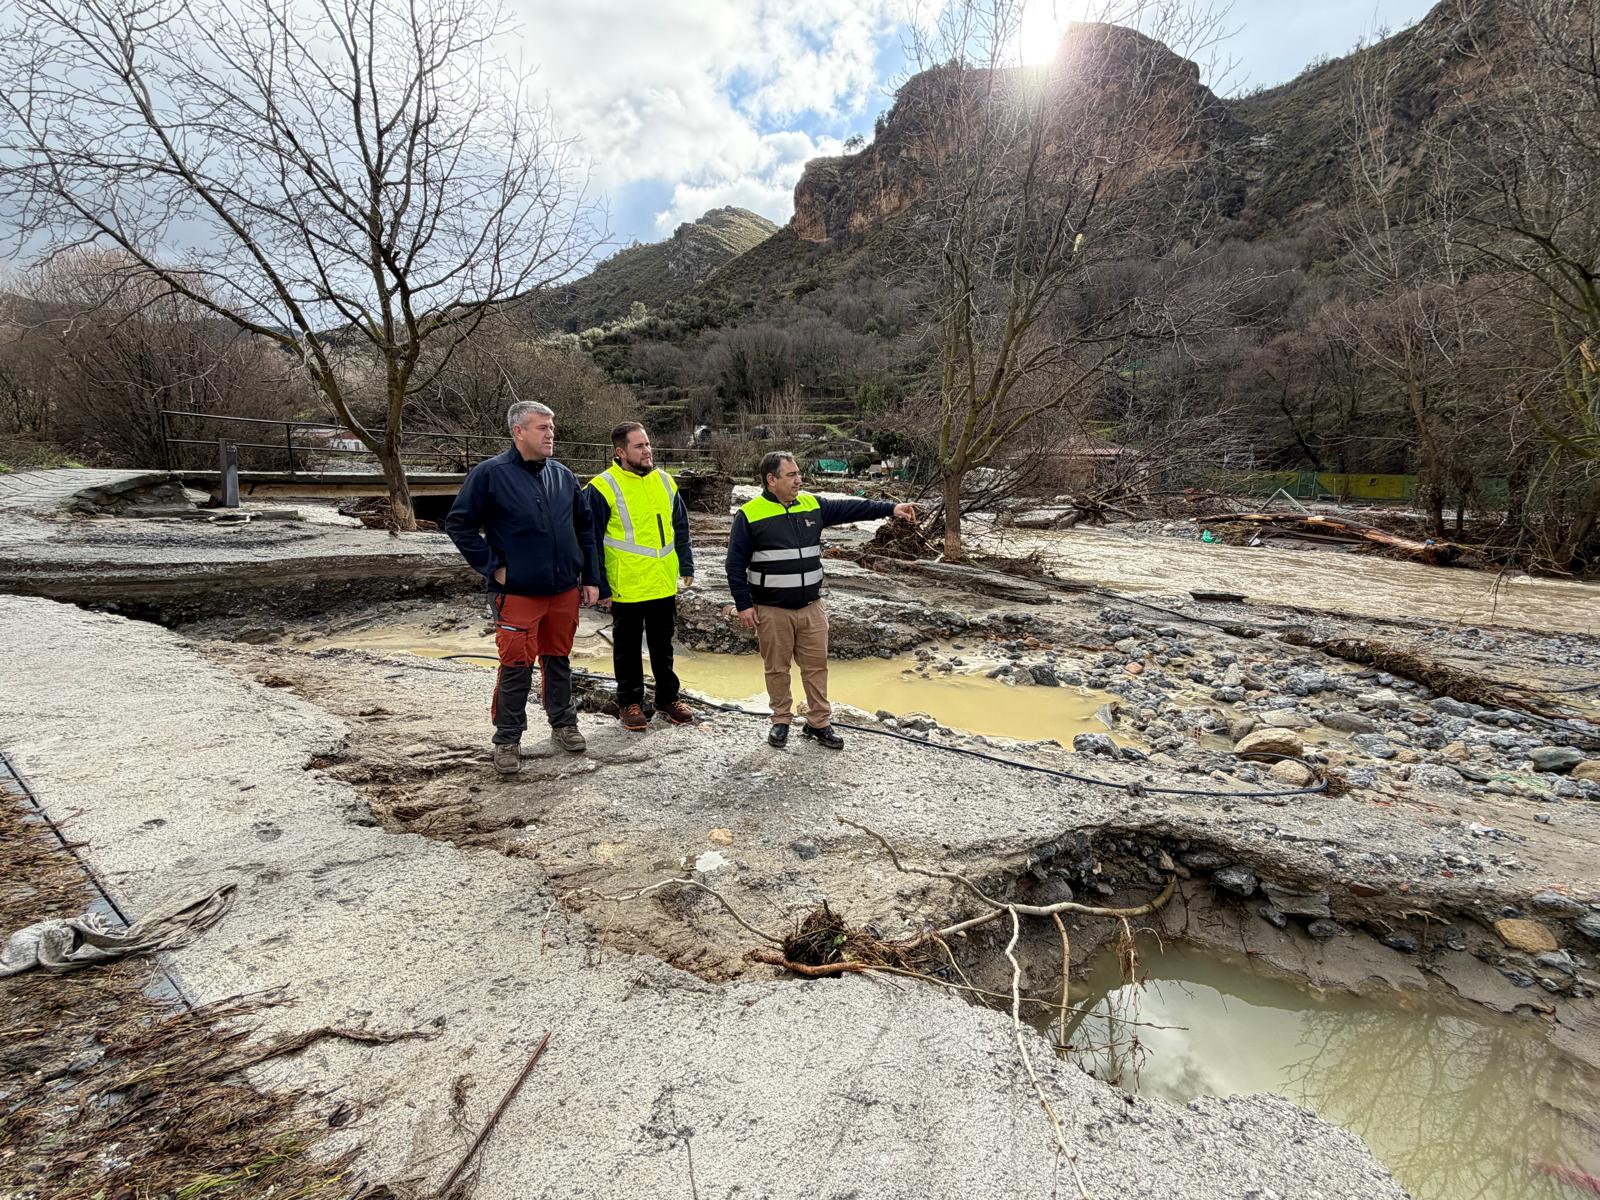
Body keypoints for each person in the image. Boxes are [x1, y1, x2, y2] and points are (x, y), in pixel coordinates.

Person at [444, 400, 599, 773]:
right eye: (542, 427)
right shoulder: (490, 474)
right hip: (517, 593)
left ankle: (564, 724)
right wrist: (493, 567)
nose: (550, 433)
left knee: (558, 659)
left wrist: (592, 577)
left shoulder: (562, 475)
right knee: (516, 664)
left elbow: (585, 529)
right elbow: (459, 524)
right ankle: (507, 740)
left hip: (563, 589)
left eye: (552, 426)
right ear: (518, 432)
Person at [725, 451, 916, 749]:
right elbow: (734, 565)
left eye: (798, 473)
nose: (799, 480)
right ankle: (780, 721)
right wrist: (744, 604)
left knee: (816, 667)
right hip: (772, 609)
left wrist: (892, 508)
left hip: (812, 607)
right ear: (771, 480)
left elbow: (853, 509)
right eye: (791, 475)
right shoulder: (749, 515)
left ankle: (819, 723)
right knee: (776, 668)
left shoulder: (813, 505)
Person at [586, 422, 698, 732]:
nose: (647, 450)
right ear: (620, 452)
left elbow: (681, 526)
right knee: (628, 648)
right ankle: (630, 702)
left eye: (648, 444)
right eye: (639, 446)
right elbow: (590, 539)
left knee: (663, 645)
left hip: (662, 580)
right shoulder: (602, 487)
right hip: (627, 584)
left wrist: (686, 564)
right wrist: (598, 583)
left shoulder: (665, 481)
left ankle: (667, 698)